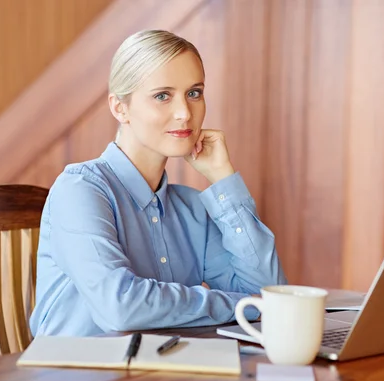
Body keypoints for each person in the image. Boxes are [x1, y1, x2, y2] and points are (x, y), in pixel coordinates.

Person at [29, 30, 287, 337]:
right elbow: (120, 307)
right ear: (119, 107)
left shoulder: (191, 208)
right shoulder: (79, 190)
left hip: (160, 375)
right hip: (74, 379)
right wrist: (235, 305)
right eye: (162, 96)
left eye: (194, 93)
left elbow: (270, 298)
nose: (184, 113)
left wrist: (223, 178)